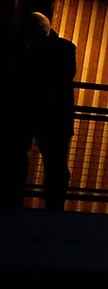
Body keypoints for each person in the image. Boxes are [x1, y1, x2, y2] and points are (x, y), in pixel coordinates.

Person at [9, 11, 77, 211]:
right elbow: (62, 78)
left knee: (20, 159)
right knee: (56, 165)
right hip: (55, 115)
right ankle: (54, 207)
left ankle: (13, 202)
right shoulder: (65, 48)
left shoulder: (24, 48)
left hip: (29, 112)